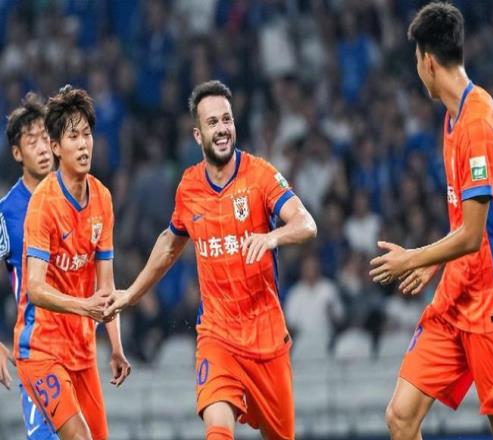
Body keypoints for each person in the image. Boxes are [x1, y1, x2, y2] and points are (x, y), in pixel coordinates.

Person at [105, 80, 317, 440]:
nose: (222, 129)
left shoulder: (260, 175)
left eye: (226, 120)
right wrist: (132, 294)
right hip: (217, 337)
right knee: (217, 430)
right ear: (197, 134)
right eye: (212, 122)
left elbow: (306, 224)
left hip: (267, 340)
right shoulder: (189, 187)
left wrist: (272, 237)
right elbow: (169, 244)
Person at [369, 3, 493, 439]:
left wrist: (412, 258)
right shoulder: (452, 117)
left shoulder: (477, 123)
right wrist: (435, 262)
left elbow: (475, 235)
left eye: (415, 61)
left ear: (427, 60)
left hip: (489, 302)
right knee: (401, 416)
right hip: (455, 294)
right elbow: (467, 220)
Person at [13, 85, 131, 440]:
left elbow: (106, 286)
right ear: (55, 147)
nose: (83, 145)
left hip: (83, 350)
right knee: (79, 436)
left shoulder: (103, 198)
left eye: (87, 134)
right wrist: (85, 306)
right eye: (73, 137)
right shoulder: (43, 204)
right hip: (41, 350)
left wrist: (116, 347)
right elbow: (35, 289)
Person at [0, 92, 58, 439]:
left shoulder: (79, 197)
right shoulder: (5, 214)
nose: (42, 148)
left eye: (45, 138)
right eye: (31, 141)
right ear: (17, 153)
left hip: (77, 346)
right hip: (35, 346)